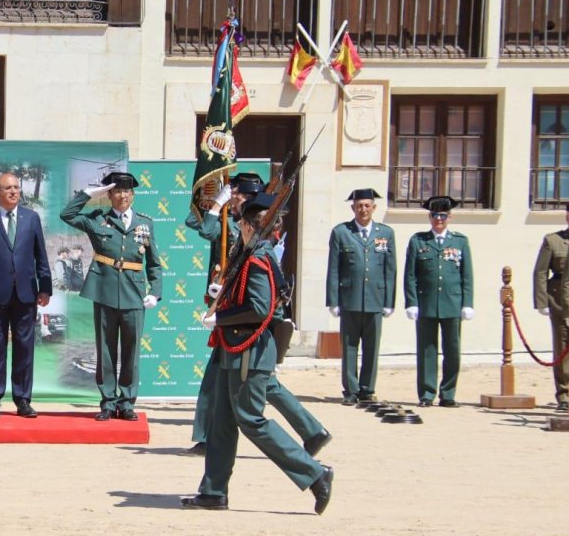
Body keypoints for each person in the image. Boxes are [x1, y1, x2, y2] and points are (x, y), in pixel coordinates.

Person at [180, 192, 333, 514]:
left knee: (251, 420)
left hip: (248, 351)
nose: (238, 227)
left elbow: (261, 308)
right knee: (221, 422)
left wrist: (219, 317)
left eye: (242, 222)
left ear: (251, 227)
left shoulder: (258, 259)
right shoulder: (249, 254)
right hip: (232, 351)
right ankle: (213, 491)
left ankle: (315, 473)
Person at [60, 172, 161, 421]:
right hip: (104, 291)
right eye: (117, 191)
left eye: (127, 191)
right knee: (105, 349)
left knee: (131, 351)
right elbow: (67, 215)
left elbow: (154, 264)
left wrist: (155, 292)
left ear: (133, 195)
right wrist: (86, 194)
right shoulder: (98, 220)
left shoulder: (145, 223)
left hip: (135, 293)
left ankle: (126, 403)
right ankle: (108, 401)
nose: (123, 196)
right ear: (109, 195)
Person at [0, 172, 53, 418]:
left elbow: (41, 256)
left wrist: (45, 287)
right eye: (8, 188)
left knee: (24, 348)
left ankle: (23, 400)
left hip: (26, 294)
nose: (14, 191)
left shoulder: (31, 218)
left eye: (17, 187)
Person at [326, 188, 397, 405]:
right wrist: (333, 300)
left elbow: (390, 269)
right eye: (359, 206)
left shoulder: (386, 233)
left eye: (367, 206)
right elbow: (334, 268)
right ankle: (351, 390)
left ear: (374, 208)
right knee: (349, 347)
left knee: (372, 347)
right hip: (350, 298)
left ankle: (367, 389)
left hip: (375, 299)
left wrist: (389, 302)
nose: (363, 210)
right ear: (353, 208)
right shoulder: (341, 232)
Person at [404, 195, 474, 408]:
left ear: (450, 217)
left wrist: (467, 303)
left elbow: (467, 275)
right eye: (435, 215)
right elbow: (410, 275)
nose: (439, 220)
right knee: (427, 350)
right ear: (430, 217)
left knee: (452, 350)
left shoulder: (460, 241)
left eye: (443, 216)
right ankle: (427, 393)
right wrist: (411, 302)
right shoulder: (418, 241)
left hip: (452, 303)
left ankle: (448, 393)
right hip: (426, 303)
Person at [532, 200, 569, 413]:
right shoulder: (554, 240)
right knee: (565, 346)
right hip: (560, 299)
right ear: (568, 217)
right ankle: (564, 394)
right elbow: (541, 272)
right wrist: (542, 301)